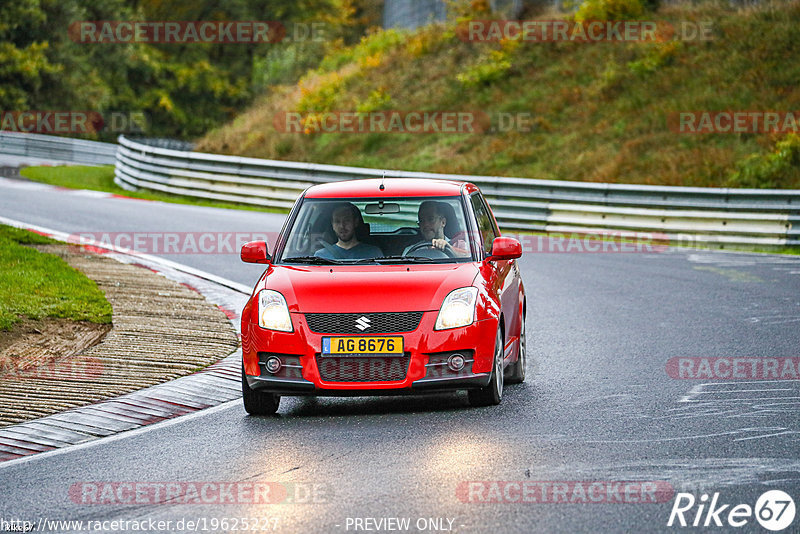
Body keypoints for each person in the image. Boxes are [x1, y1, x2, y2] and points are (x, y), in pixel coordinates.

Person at [314, 203, 383, 260]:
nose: (342, 226)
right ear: (332, 225)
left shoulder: (373, 253)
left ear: (355, 222)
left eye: (347, 220)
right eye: (337, 221)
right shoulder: (321, 256)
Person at [403, 201, 469, 257]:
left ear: (443, 222)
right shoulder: (411, 250)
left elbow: (470, 259)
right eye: (422, 220)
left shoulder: (459, 245)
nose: (426, 225)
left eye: (431, 219)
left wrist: (449, 248)